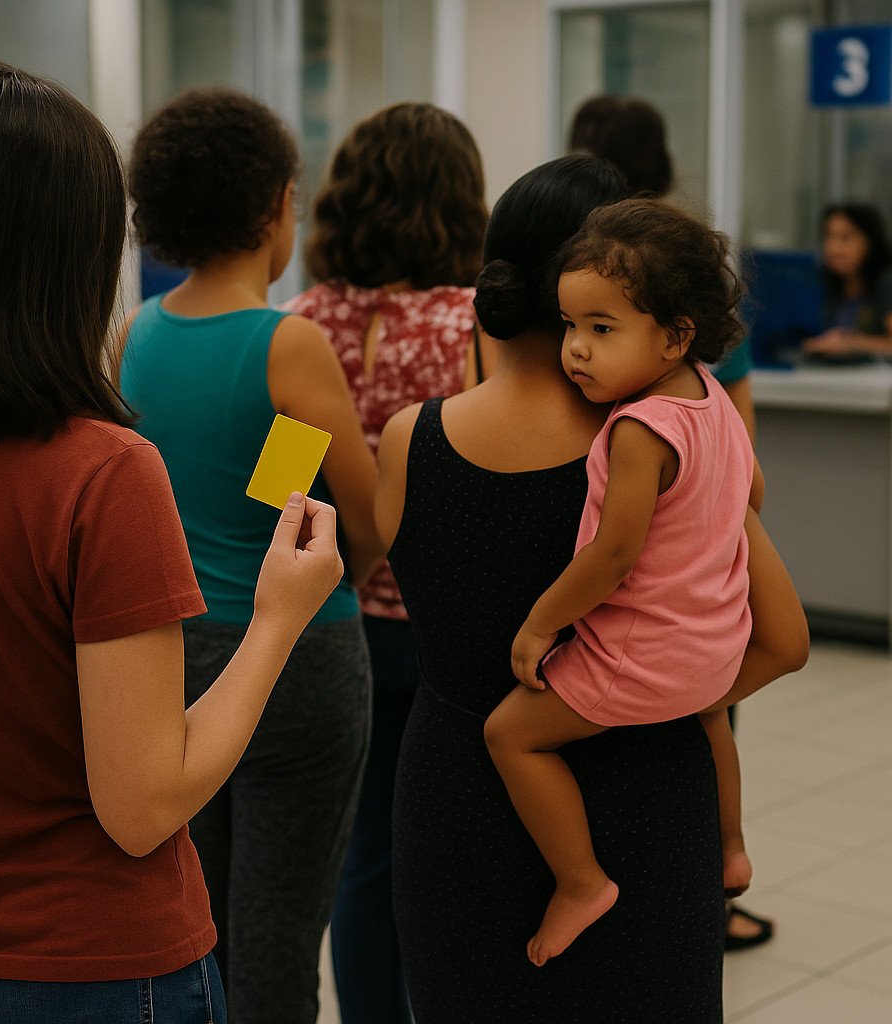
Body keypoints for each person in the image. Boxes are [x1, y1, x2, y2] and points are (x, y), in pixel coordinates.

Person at [0, 62, 343, 1024]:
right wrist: (278, 620)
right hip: (87, 966)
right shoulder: (104, 470)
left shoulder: (136, 353)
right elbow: (142, 808)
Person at [377, 155, 808, 1022]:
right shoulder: (671, 452)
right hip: (651, 809)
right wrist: (689, 693)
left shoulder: (408, 441)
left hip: (460, 806)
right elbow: (783, 640)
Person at [118, 88, 384, 1024]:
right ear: (274, 205)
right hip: (294, 667)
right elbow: (362, 521)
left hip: (176, 659)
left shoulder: (136, 335)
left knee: (204, 926)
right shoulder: (286, 343)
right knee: (278, 936)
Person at [485, 197, 763, 965]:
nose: (576, 349)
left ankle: (580, 882)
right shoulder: (709, 396)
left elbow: (612, 557)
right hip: (715, 649)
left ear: (675, 334)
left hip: (642, 658)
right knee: (711, 720)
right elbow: (752, 491)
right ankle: (731, 850)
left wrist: (542, 621)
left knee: (509, 736)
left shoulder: (641, 428)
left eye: (602, 330)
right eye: (570, 325)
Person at [285, 101, 487, 1024]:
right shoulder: (473, 326)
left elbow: (282, 486)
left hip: (331, 618)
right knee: (447, 858)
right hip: (443, 621)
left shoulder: (302, 321)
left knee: (359, 859)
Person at [569, 93, 770, 947]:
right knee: (695, 741)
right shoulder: (687, 337)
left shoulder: (305, 330)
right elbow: (749, 482)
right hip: (686, 636)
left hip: (315, 611)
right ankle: (709, 889)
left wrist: (355, 563)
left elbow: (307, 478)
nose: (575, 348)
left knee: (360, 856)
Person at [803, 203, 892, 359]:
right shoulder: (825, 284)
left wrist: (851, 342)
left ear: (869, 241)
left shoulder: (886, 283)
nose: (834, 247)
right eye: (829, 236)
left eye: (845, 238)